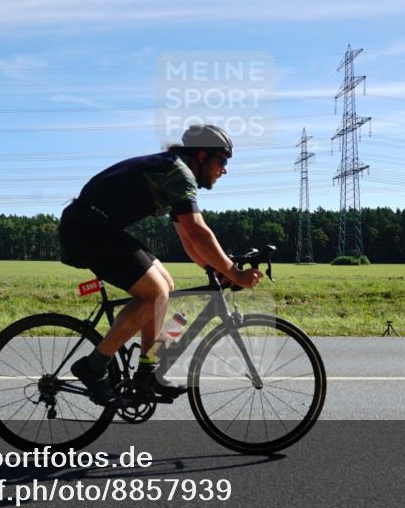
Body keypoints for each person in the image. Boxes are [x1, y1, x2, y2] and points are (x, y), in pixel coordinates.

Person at [58, 124, 263, 404]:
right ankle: (93, 366)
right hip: (87, 228)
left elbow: (188, 239)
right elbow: (198, 232)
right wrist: (233, 272)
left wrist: (213, 268)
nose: (224, 169)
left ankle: (148, 370)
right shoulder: (178, 173)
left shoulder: (174, 171)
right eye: (222, 160)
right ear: (202, 155)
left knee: (165, 285)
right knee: (154, 292)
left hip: (99, 226)